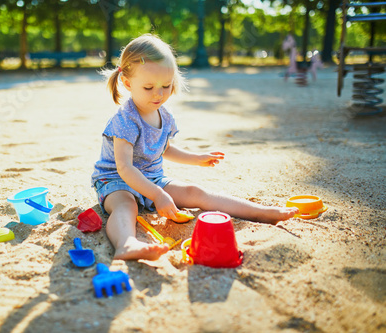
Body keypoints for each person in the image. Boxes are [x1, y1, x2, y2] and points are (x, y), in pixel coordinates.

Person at [91, 34, 298, 261]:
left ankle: (261, 213)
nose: (159, 94)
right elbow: (124, 168)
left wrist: (196, 158)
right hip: (115, 181)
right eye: (149, 87)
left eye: (166, 85)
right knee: (126, 205)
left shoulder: (164, 115)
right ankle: (126, 244)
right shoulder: (125, 120)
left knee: (195, 192)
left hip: (152, 178)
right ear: (128, 83)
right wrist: (158, 195)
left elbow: (165, 149)